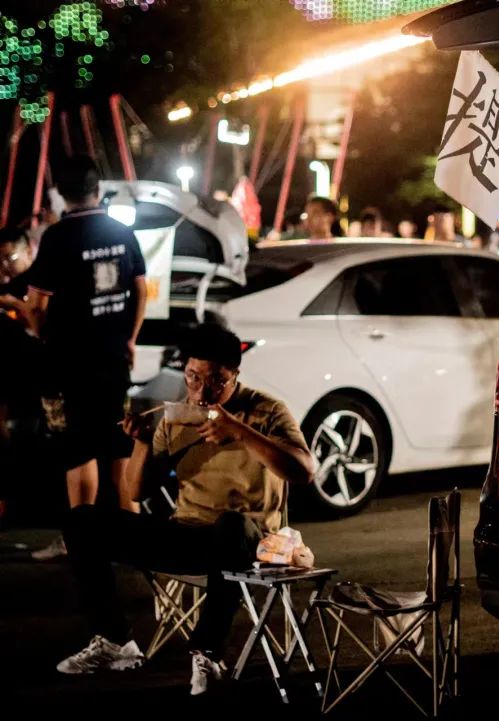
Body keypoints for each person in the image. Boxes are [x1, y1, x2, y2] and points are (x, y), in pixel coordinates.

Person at [57, 323, 316, 695]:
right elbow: (135, 491)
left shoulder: (266, 410)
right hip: (187, 535)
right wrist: (143, 443)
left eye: (215, 381)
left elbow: (305, 471)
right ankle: (115, 640)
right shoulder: (177, 416)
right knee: (81, 520)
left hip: (251, 542)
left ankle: (208, 652)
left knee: (231, 525)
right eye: (193, 377)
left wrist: (240, 432)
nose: (201, 391)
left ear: (234, 375)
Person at [24, 156, 148, 561]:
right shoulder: (123, 231)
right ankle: (134, 541)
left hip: (69, 362)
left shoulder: (58, 237)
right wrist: (130, 338)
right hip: (114, 359)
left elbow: (38, 304)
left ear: (61, 193)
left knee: (80, 450)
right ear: (98, 188)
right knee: (117, 446)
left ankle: (82, 542)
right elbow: (141, 288)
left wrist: (38, 331)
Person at [0, 226, 43, 525]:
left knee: (31, 452)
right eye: (0, 260)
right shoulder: (10, 286)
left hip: (35, 386)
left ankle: (30, 517)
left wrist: (16, 306)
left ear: (28, 250)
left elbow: (42, 328)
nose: (5, 265)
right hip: (11, 386)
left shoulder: (41, 284)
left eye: (10, 257)